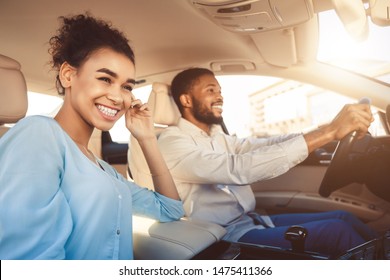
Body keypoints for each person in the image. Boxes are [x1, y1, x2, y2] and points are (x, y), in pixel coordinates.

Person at [0, 13, 184, 260]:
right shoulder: (38, 134)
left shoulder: (103, 170)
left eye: (127, 87)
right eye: (105, 79)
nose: (118, 97)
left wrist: (147, 138)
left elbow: (170, 209)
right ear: (68, 75)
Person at [157, 67, 378, 257]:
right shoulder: (172, 143)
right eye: (210, 90)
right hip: (223, 236)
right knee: (335, 230)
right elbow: (237, 168)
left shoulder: (216, 136)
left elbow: (262, 145)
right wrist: (329, 133)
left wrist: (325, 130)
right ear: (186, 100)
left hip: (250, 219)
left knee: (343, 216)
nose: (220, 96)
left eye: (220, 91)